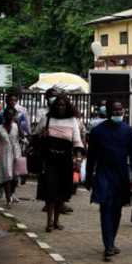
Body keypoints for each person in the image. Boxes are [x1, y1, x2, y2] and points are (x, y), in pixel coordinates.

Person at [86, 101, 132, 261]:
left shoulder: (129, 131)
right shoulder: (97, 131)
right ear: (109, 111)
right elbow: (91, 156)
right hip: (103, 172)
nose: (118, 112)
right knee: (105, 208)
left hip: (121, 174)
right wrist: (88, 177)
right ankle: (108, 245)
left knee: (117, 209)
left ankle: (111, 240)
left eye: (120, 109)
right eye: (115, 109)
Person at [35, 94, 85, 233]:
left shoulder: (72, 121)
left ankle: (57, 221)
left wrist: (78, 160)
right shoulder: (46, 119)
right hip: (49, 160)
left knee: (61, 192)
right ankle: (49, 222)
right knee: (50, 191)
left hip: (65, 161)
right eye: (58, 104)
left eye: (63, 104)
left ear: (67, 106)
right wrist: (42, 135)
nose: (60, 107)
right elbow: (35, 136)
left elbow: (77, 142)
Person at [0, 107, 23, 206]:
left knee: (15, 177)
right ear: (4, 115)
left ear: (14, 116)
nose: (9, 116)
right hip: (4, 153)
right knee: (7, 176)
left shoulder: (16, 126)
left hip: (16, 152)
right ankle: (8, 199)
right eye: (8, 114)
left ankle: (11, 193)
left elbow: (22, 136)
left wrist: (18, 124)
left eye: (12, 114)